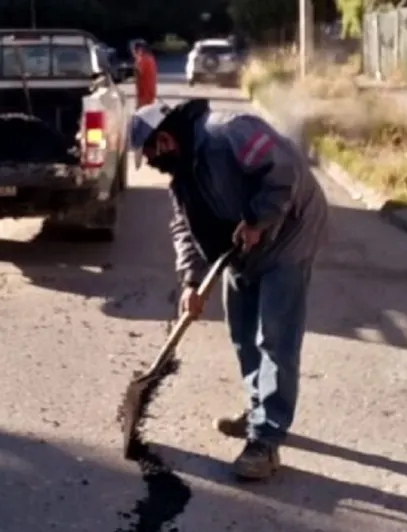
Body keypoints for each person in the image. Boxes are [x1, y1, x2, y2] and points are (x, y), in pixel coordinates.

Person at [128, 99, 329, 481]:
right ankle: (259, 411)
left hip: (289, 235)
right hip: (241, 246)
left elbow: (283, 170)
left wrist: (258, 219)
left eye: (150, 153)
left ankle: (266, 441)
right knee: (242, 333)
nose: (151, 163)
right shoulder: (182, 175)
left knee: (274, 336)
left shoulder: (228, 131)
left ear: (166, 139)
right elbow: (184, 229)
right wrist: (191, 281)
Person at [132, 42, 157, 108]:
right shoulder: (151, 58)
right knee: (148, 111)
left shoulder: (141, 59)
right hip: (151, 90)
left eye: (134, 50)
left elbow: (139, 71)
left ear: (139, 49)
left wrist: (135, 66)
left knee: (141, 111)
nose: (133, 52)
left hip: (144, 92)